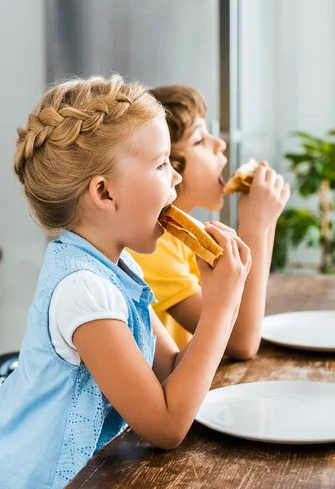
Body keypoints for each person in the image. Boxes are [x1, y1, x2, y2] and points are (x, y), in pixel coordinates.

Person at [0, 75, 251, 489]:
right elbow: (167, 426)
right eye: (161, 164)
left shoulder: (118, 267)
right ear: (104, 192)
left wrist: (227, 296)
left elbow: (169, 370)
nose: (175, 178)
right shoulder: (83, 291)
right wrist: (221, 307)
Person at [131, 85, 290, 356]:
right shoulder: (152, 250)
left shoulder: (184, 238)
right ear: (167, 163)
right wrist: (255, 227)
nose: (221, 144)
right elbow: (242, 341)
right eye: (199, 140)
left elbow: (245, 315)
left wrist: (267, 221)